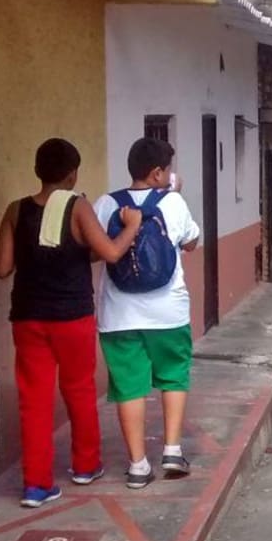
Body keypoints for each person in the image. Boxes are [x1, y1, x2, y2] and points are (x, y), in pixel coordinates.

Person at [0, 138, 142, 508]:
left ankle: (36, 485)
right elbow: (110, 252)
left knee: (34, 399)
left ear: (37, 170)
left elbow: (2, 268)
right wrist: (132, 226)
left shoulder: (15, 210)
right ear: (73, 174)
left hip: (27, 317)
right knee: (79, 389)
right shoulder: (77, 207)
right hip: (72, 317)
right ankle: (85, 466)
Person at [93, 138, 201, 489]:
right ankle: (172, 451)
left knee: (129, 388)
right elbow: (191, 242)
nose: (169, 175)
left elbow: (94, 250)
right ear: (157, 173)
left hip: (119, 315)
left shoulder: (106, 204)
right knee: (174, 376)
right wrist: (174, 196)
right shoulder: (172, 201)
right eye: (167, 170)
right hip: (168, 313)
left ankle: (138, 466)